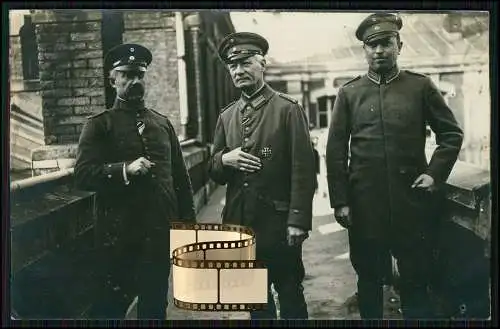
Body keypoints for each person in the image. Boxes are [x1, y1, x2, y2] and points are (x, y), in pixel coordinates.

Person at [326, 13, 464, 319]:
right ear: (364, 50)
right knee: (369, 281)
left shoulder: (420, 87)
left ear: (399, 44)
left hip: (412, 204)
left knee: (416, 282)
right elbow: (335, 151)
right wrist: (341, 201)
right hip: (365, 208)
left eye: (385, 43)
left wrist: (434, 173)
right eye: (371, 45)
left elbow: (451, 134)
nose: (378, 51)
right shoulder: (349, 93)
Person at [74, 43, 196, 319]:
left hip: (158, 234)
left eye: (140, 74)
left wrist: (188, 229)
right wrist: (125, 170)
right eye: (127, 75)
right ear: (112, 79)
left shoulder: (162, 124)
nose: (135, 81)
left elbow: (180, 179)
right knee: (112, 308)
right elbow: (82, 175)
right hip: (118, 237)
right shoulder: (99, 125)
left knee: (154, 308)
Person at [208, 32, 316, 320]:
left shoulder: (287, 109)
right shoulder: (226, 116)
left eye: (246, 63)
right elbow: (214, 172)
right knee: (256, 300)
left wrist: (298, 221)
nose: (239, 71)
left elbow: (304, 171)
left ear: (262, 63)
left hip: (280, 224)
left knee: (290, 292)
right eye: (233, 66)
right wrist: (223, 159)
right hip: (241, 224)